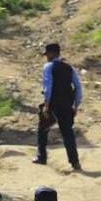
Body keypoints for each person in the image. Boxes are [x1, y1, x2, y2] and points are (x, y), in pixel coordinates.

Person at [33, 42, 83, 171]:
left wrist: (46, 105)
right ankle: (75, 162)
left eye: (47, 54)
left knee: (42, 129)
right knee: (67, 133)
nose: (46, 57)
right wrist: (76, 105)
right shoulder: (69, 67)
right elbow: (78, 88)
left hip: (53, 104)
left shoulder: (48, 66)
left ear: (51, 53)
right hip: (67, 104)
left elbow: (48, 87)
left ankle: (41, 157)